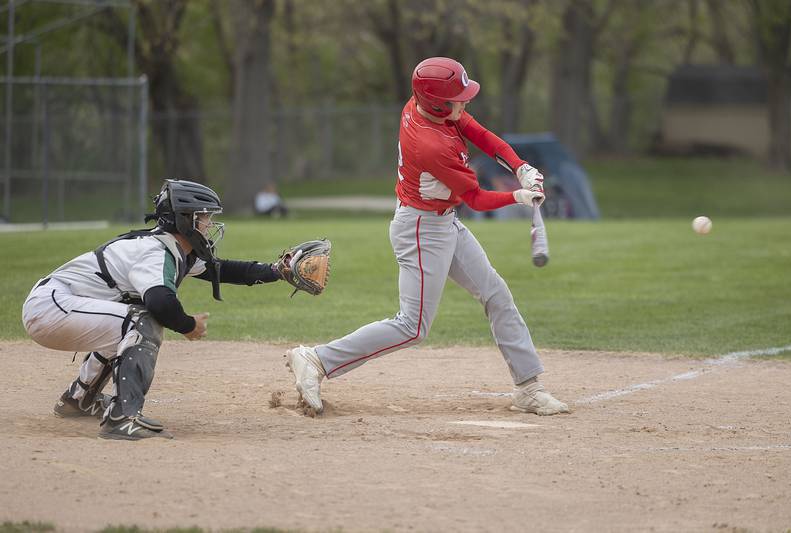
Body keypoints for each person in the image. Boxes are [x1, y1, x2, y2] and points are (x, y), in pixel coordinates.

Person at [286, 57, 570, 416]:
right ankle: (316, 360)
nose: (465, 102)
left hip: (442, 220)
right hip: (421, 229)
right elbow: (477, 199)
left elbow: (481, 134)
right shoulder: (431, 143)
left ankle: (529, 388)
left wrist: (521, 167)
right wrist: (518, 195)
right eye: (458, 98)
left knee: (496, 294)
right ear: (437, 102)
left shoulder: (429, 107)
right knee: (413, 326)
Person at [22, 179, 297, 440]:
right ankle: (122, 418)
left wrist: (277, 271)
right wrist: (189, 326)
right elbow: (160, 302)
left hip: (56, 307)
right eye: (204, 217)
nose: (209, 224)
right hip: (51, 307)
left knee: (129, 320)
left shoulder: (175, 249)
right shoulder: (155, 251)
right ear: (185, 220)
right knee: (141, 321)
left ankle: (79, 399)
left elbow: (222, 269)